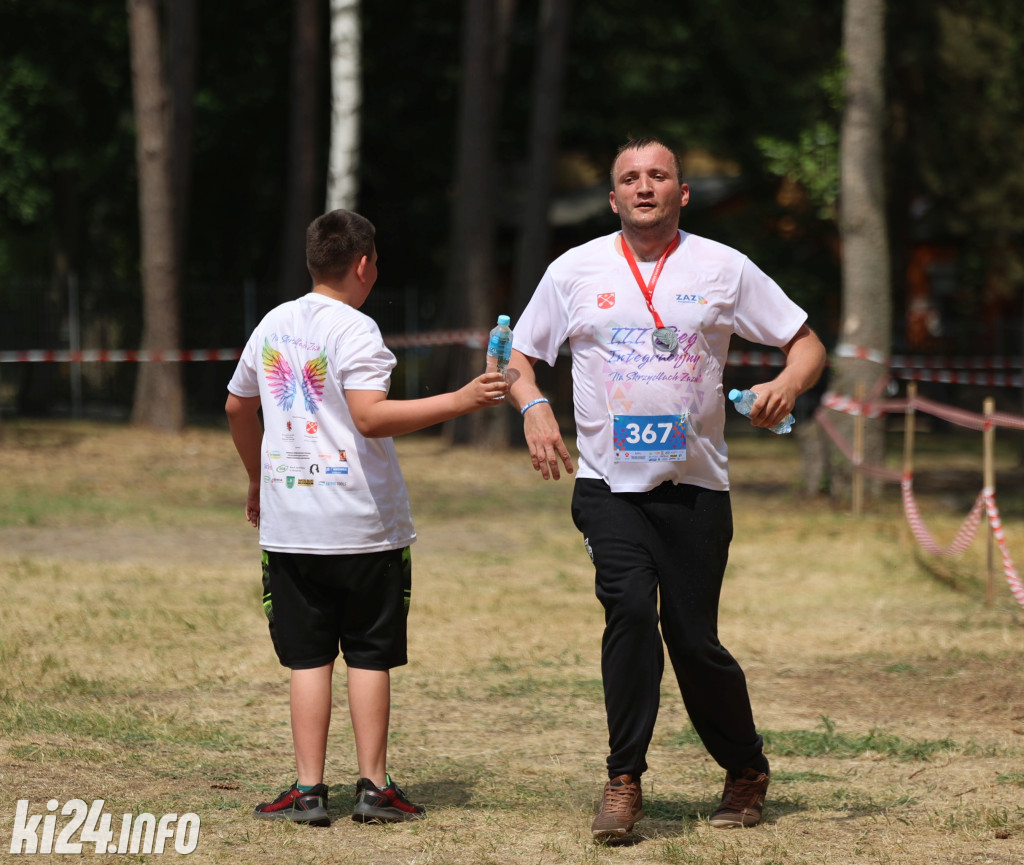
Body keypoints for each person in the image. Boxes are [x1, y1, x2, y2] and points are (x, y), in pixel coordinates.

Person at [506, 137, 826, 840]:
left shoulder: (724, 267)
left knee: (693, 640)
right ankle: (624, 780)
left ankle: (745, 768)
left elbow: (806, 343)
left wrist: (784, 383)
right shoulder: (574, 271)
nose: (644, 186)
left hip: (695, 487)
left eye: (658, 175)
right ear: (613, 197)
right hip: (607, 487)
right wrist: (532, 405)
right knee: (627, 610)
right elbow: (518, 355)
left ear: (682, 193)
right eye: (629, 177)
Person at [225, 209, 508, 826]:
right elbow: (370, 417)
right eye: (375, 262)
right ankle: (374, 790)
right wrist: (462, 399)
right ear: (362, 265)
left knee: (308, 660)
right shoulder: (358, 330)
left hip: (291, 524)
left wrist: (256, 477)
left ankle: (306, 793)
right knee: (369, 655)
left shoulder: (273, 322)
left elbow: (236, 405)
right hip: (363, 526)